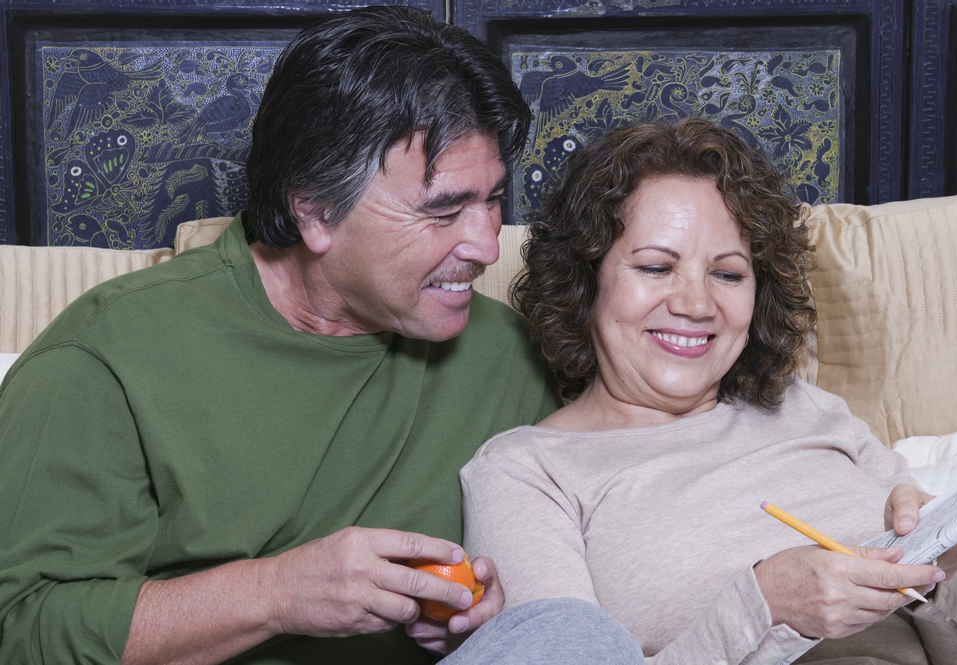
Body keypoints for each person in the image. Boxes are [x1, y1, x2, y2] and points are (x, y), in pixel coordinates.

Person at [0, 7, 650, 665]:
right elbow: (21, 629)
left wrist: (479, 618)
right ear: (312, 210)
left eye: (491, 200)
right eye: (444, 210)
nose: (486, 243)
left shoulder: (510, 354)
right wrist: (276, 593)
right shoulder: (107, 355)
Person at [460, 118, 957, 664]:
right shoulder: (527, 472)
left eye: (728, 274)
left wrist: (944, 574)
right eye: (656, 267)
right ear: (585, 280)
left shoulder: (807, 407)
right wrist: (765, 606)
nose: (696, 304)